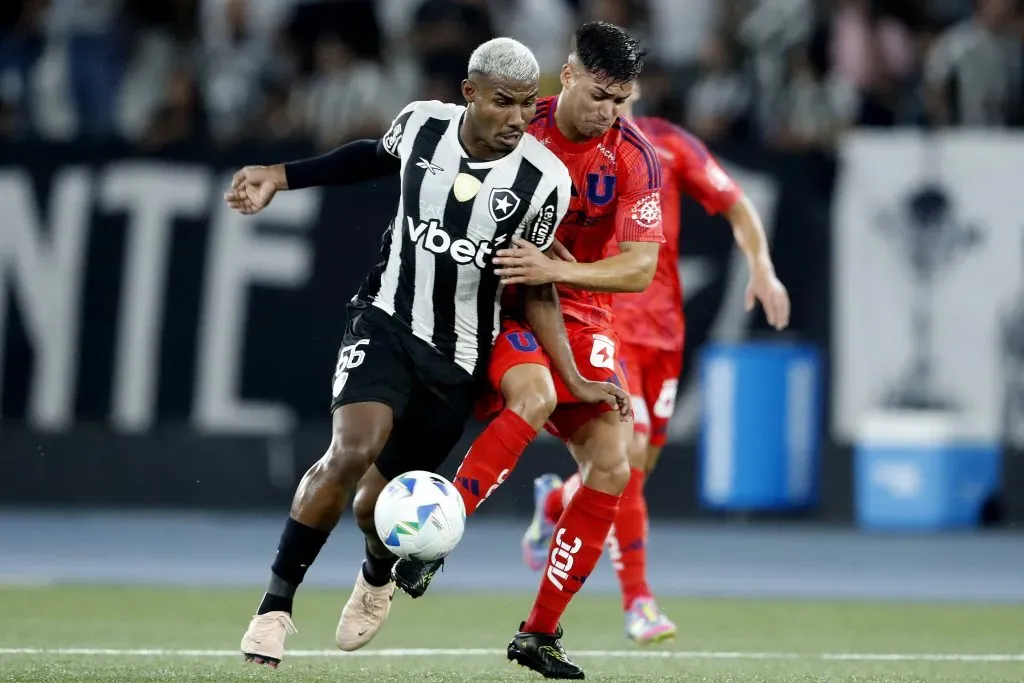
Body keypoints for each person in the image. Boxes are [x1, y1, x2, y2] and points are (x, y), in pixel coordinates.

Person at [226, 37, 628, 669]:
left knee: (376, 510)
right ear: (470, 94)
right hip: (385, 322)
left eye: (527, 105)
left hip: (461, 358)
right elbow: (368, 157)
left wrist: (573, 377)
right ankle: (274, 609)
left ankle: (376, 574)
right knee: (350, 451)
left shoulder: (542, 180)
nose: (519, 119)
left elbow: (537, 288)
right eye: (503, 104)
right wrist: (281, 175)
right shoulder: (421, 125)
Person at [365, 21, 663, 679]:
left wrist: (560, 271)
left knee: (614, 463)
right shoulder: (520, 122)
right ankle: (437, 536)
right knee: (535, 393)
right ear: (570, 73)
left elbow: (639, 269)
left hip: (581, 313)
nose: (609, 112)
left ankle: (539, 633)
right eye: (600, 95)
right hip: (498, 303)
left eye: (622, 100)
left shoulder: (636, 158)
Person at [531, 83, 791, 644]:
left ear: (634, 91)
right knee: (622, 454)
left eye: (619, 89)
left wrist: (762, 268)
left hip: (666, 335)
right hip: (608, 324)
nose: (610, 101)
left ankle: (554, 501)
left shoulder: (666, 146)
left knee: (633, 469)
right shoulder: (564, 144)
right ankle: (639, 603)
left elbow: (735, 203)